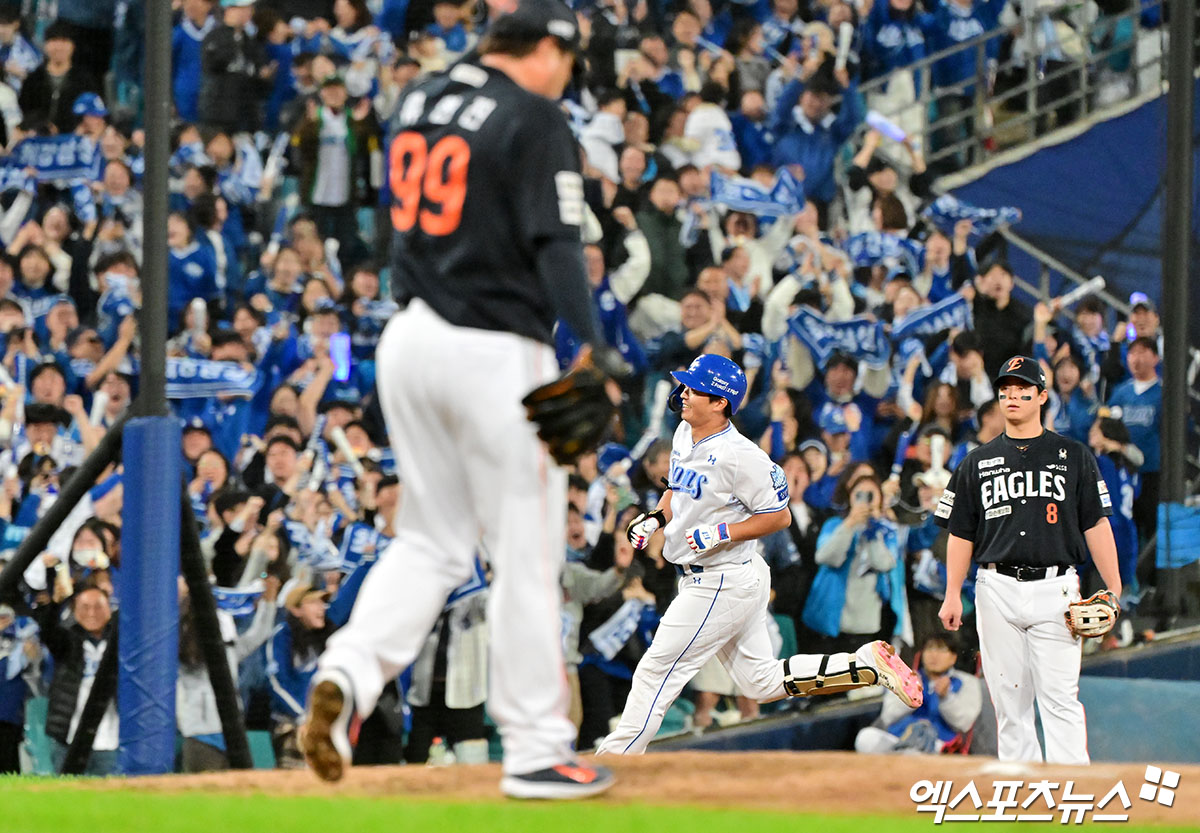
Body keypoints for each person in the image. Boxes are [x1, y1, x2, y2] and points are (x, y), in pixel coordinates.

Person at [298, 0, 619, 799]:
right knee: (526, 550)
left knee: (432, 541)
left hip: (407, 338)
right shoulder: (535, 114)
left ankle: (345, 676)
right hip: (496, 348)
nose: (569, 76)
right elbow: (557, 243)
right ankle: (540, 749)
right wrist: (594, 346)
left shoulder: (420, 99)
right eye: (568, 60)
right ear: (546, 48)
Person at [596, 355, 922, 756]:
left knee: (656, 671)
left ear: (720, 402)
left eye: (694, 388)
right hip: (722, 576)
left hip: (721, 578)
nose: (683, 393)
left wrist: (724, 531)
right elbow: (678, 489)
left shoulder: (742, 455)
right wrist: (654, 518)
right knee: (760, 683)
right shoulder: (683, 432)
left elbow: (780, 516)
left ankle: (615, 761)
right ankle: (864, 665)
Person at [936, 355, 1122, 765]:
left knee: (1059, 698)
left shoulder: (1074, 456)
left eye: (1023, 391)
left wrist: (1113, 589)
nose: (1013, 398)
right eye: (1006, 392)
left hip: (1055, 589)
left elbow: (1096, 524)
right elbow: (960, 533)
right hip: (995, 588)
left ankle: (1074, 794)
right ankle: (1023, 797)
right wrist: (952, 593)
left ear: (1041, 396)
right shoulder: (976, 462)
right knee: (1010, 705)